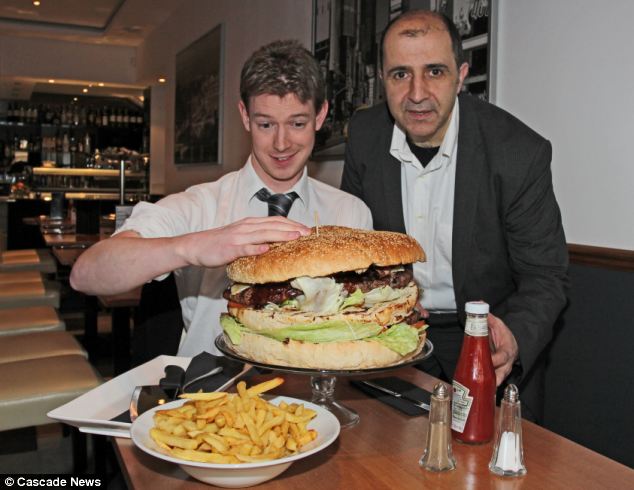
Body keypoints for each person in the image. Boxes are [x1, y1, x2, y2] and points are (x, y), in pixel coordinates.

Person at [71, 40, 373, 357]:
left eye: (297, 123)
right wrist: (192, 246)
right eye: (265, 124)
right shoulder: (199, 205)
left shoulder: (350, 213)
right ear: (245, 116)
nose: (281, 143)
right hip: (212, 395)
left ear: (320, 115)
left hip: (313, 396)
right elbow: (86, 275)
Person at [341, 10, 568, 422]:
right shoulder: (364, 135)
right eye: (400, 75)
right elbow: (354, 248)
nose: (417, 93)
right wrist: (387, 298)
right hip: (395, 335)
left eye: (435, 71)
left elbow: (545, 276)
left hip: (488, 338)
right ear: (381, 79)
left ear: (461, 75)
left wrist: (512, 337)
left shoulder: (518, 151)